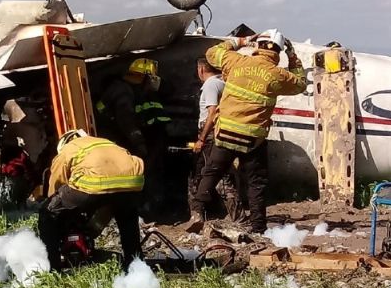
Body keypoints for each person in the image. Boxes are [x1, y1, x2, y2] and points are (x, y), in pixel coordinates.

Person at [193, 29, 307, 234]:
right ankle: (258, 227)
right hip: (253, 140)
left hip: (225, 134)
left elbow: (212, 53)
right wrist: (293, 56)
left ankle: (197, 212)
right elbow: (300, 83)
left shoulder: (236, 61)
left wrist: (242, 40)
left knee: (211, 172)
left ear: (258, 45)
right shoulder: (278, 75)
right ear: (278, 51)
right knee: (256, 183)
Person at [38, 130, 144, 272]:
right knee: (127, 219)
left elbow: (56, 184)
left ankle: (51, 267)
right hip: (131, 183)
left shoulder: (69, 149)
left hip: (94, 183)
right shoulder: (105, 143)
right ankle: (135, 266)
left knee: (48, 213)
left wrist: (53, 206)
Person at [94, 58, 169, 217]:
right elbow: (126, 121)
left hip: (112, 137)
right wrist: (139, 143)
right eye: (152, 79)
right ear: (144, 77)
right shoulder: (124, 92)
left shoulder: (124, 88)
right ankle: (138, 210)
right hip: (115, 140)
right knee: (137, 171)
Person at [182, 57, 241, 232]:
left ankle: (197, 215)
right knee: (221, 173)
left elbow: (212, 113)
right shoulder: (224, 83)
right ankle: (237, 216)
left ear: (201, 69)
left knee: (203, 175)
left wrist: (202, 138)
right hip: (221, 133)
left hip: (209, 135)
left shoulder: (210, 85)